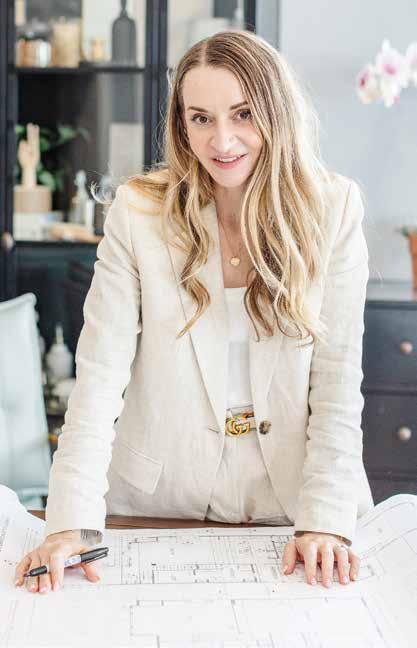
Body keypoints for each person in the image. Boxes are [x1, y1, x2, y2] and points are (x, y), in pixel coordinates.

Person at [15, 29, 374, 595]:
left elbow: (337, 382)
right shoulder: (138, 212)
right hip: (157, 506)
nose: (221, 140)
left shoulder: (333, 209)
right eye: (200, 118)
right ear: (181, 125)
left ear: (276, 112)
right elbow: (99, 378)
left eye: (243, 114)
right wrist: (69, 523)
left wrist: (326, 521)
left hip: (296, 509)